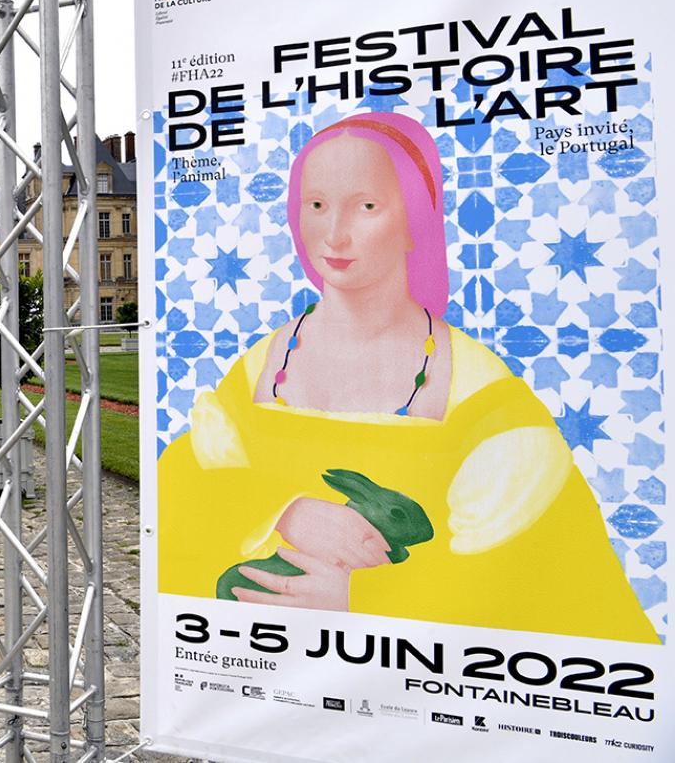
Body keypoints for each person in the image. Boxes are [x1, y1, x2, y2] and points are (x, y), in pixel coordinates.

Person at [157, 111, 658, 644]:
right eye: (317, 205)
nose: (334, 234)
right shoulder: (265, 361)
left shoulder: (485, 397)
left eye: (366, 206)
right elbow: (186, 482)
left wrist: (360, 604)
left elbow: (543, 575)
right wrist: (282, 511)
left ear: (415, 217)